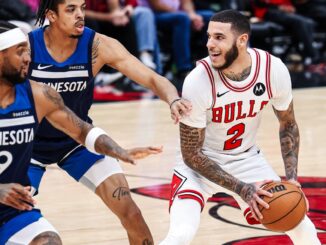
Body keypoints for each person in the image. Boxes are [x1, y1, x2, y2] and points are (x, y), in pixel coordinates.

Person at [27, 0, 191, 244]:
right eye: (71, 9)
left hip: (79, 140)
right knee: (10, 219)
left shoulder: (98, 45)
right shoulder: (27, 48)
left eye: (82, 7)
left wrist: (173, 98)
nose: (80, 15)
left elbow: (152, 79)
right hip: (28, 146)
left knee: (132, 213)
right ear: (51, 15)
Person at [160, 10, 321, 245]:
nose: (210, 45)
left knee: (303, 228)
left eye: (219, 37)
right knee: (180, 235)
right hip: (199, 166)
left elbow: (288, 124)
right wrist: (241, 188)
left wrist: (292, 178)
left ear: (242, 40)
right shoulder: (198, 80)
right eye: (209, 36)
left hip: (246, 160)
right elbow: (191, 154)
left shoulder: (271, 69)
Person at [0, 21, 162, 244]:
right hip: (32, 156)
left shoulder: (38, 94)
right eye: (20, 52)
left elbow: (82, 130)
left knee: (49, 241)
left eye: (27, 50)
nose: (28, 58)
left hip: (14, 212)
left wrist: (120, 151)